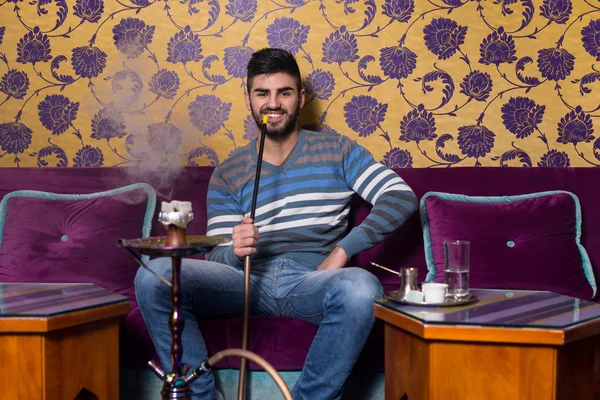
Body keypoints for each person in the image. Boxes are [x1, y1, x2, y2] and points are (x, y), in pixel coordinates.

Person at [135, 48, 418, 400]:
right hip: (245, 280)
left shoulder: (338, 150)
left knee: (362, 288)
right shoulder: (230, 170)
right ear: (248, 99)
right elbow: (217, 261)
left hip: (311, 281)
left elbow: (401, 197)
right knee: (155, 275)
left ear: (300, 98)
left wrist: (344, 249)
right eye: (262, 94)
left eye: (284, 93)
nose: (274, 104)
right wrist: (234, 249)